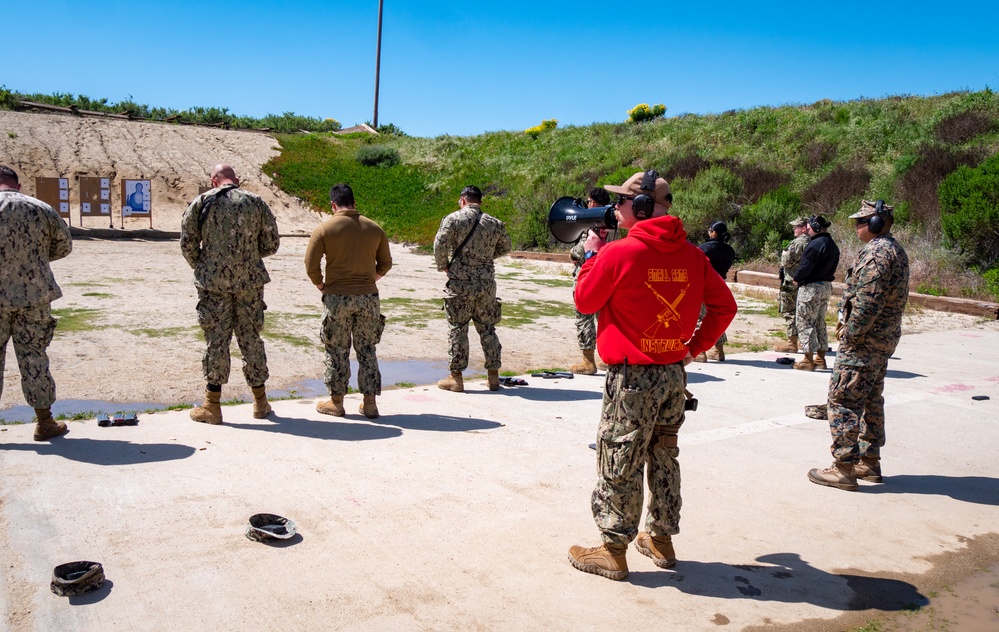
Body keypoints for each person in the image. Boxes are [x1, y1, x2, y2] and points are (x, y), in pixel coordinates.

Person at [567, 170, 737, 581]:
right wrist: (691, 349)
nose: (616, 207)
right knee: (664, 453)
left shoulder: (617, 253)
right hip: (673, 377)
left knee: (619, 459)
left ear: (640, 207)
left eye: (622, 200)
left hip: (631, 380)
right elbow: (724, 307)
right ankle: (660, 539)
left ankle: (612, 549)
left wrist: (591, 256)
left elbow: (585, 301)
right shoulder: (694, 256)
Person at [808, 200, 909, 491]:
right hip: (881, 341)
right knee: (871, 400)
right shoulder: (894, 250)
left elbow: (867, 303)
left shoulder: (877, 254)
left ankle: (843, 469)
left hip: (864, 343)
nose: (857, 227)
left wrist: (850, 335)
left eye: (861, 221)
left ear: (877, 223)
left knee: (843, 401)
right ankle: (869, 461)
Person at [180, 164, 280, 424]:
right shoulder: (255, 202)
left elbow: (188, 243)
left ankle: (212, 405)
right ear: (236, 180)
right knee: (250, 338)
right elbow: (271, 244)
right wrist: (247, 257)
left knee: (217, 340)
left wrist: (205, 265)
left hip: (213, 285)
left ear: (214, 181)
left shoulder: (202, 202)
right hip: (249, 283)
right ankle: (260, 403)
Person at [305, 183, 392, 419]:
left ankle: (337, 402)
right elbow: (386, 263)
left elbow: (311, 265)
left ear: (333, 205)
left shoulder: (323, 229)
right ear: (354, 203)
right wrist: (370, 279)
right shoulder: (374, 228)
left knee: (336, 350)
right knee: (367, 349)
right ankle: (370, 403)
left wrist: (321, 284)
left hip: (336, 298)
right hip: (368, 298)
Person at [0, 165, 73, 441]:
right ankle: (44, 421)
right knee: (34, 358)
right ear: (17, 186)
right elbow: (64, 245)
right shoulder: (40, 207)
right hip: (34, 297)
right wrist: (34, 261)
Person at [433, 185, 512, 393]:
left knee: (458, 327)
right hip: (486, 283)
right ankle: (493, 376)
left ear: (463, 200)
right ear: (480, 202)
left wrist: (445, 266)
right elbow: (506, 247)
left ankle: (456, 377)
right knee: (487, 327)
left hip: (460, 280)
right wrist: (485, 259)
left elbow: (439, 244)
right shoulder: (494, 223)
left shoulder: (453, 219)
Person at [568, 187, 612, 375]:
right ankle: (609, 357)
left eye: (589, 201)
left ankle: (588, 361)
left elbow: (582, 249)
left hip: (588, 273)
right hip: (607, 275)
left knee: (584, 316)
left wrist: (573, 253)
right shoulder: (613, 221)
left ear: (593, 203)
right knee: (604, 317)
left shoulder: (594, 222)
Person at [791, 215, 839, 371]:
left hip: (811, 288)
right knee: (820, 321)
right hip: (826, 287)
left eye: (810, 227)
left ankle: (807, 359)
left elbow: (806, 266)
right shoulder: (832, 245)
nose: (808, 230)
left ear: (817, 228)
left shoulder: (815, 245)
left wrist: (797, 278)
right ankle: (820, 358)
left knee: (805, 322)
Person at [693, 221, 736, 362]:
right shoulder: (730, 251)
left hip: (704, 285)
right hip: (720, 284)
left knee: (700, 317)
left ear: (714, 233)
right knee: (716, 317)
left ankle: (700, 352)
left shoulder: (704, 248)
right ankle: (719, 350)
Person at [774, 217, 810, 353]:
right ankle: (802, 340)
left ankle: (791, 342)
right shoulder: (811, 241)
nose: (794, 229)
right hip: (804, 281)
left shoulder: (799, 243)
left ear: (803, 228)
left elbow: (786, 261)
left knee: (789, 311)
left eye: (796, 227)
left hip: (791, 281)